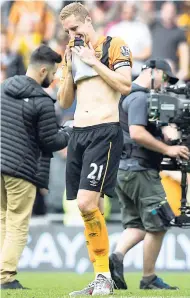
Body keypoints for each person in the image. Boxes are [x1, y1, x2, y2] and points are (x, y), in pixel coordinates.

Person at [58, 2, 132, 296]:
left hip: (105, 131)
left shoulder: (114, 45)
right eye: (67, 31)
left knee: (86, 204)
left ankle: (103, 277)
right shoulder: (71, 54)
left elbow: (125, 85)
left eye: (75, 28)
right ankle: (102, 278)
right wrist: (67, 66)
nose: (72, 34)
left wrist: (93, 61)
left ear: (89, 21)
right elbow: (64, 102)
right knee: (92, 209)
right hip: (79, 133)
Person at [109, 58, 190, 290]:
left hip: (125, 172)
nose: (165, 84)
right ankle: (149, 278)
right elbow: (136, 133)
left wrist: (165, 132)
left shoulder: (128, 96)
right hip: (140, 171)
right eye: (164, 77)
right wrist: (168, 149)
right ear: (152, 71)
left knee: (138, 225)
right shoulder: (140, 97)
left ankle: (116, 258)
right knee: (159, 223)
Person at [0, 44, 72, 289]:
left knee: (1, 220)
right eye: (53, 74)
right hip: (21, 170)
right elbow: (50, 141)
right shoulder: (42, 102)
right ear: (43, 70)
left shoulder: (3, 89)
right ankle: (6, 277)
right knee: (18, 222)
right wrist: (69, 131)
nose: (53, 79)